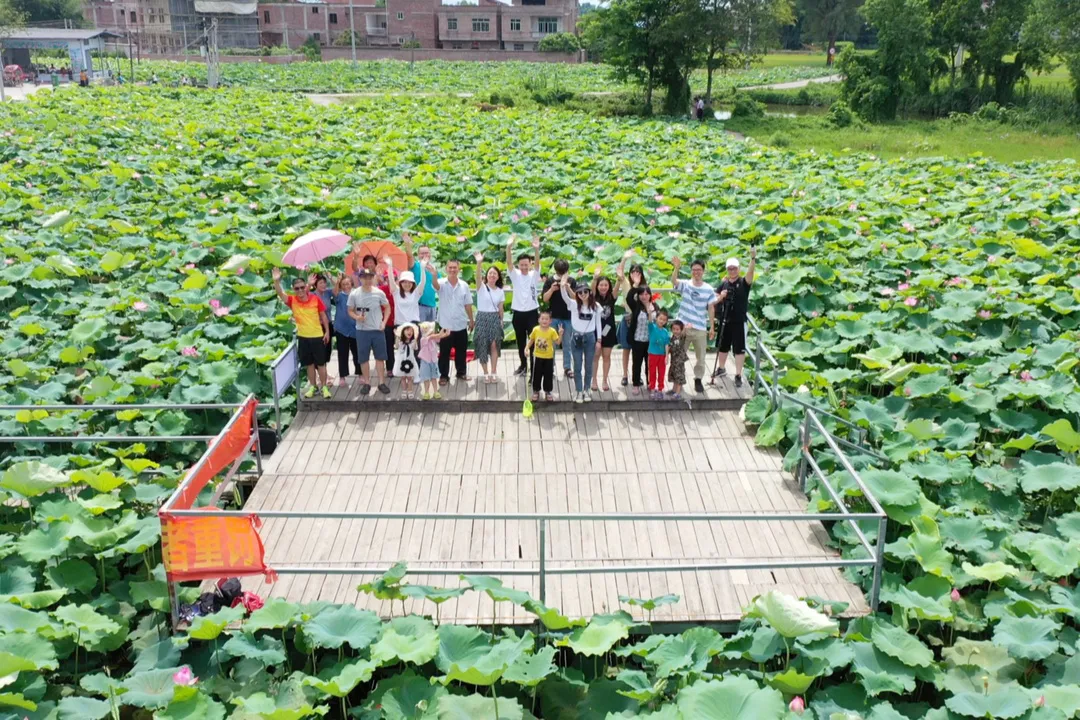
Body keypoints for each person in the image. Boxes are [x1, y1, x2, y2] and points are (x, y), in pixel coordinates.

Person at [272, 267, 331, 399]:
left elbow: (324, 316)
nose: (300, 290)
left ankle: (324, 386)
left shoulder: (316, 299)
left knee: (321, 364)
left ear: (306, 287)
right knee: (309, 364)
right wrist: (276, 281)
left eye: (302, 287)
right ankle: (313, 386)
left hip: (317, 336)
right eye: (297, 288)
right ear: (293, 289)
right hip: (303, 337)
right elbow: (281, 294)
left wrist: (327, 332)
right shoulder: (292, 301)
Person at [671, 257, 718, 394]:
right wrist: (677, 268)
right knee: (678, 355)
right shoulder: (686, 284)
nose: (696, 272)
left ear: (703, 271)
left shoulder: (708, 289)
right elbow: (674, 281)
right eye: (694, 270)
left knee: (701, 357)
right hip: (683, 328)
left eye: (699, 270)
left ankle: (698, 379)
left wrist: (712, 327)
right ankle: (678, 380)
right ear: (691, 271)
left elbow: (711, 308)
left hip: (700, 328)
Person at [713, 247, 757, 387]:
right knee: (722, 346)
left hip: (739, 321)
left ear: (738, 269)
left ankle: (738, 374)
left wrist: (753, 258)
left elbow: (750, 273)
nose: (732, 271)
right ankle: (721, 368)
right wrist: (721, 296)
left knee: (739, 349)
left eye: (734, 268)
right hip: (725, 319)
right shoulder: (724, 283)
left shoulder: (744, 283)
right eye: (730, 269)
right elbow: (714, 298)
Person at [347, 268, 391, 396]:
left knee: (380, 357)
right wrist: (357, 317)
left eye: (369, 277)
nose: (367, 280)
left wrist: (384, 322)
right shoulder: (354, 294)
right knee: (363, 358)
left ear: (373, 278)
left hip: (377, 330)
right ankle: (367, 383)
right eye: (364, 277)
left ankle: (381, 382)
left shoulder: (379, 293)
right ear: (360, 278)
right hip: (362, 331)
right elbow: (350, 310)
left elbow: (387, 308)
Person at [560, 275, 603, 404]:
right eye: (580, 292)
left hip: (590, 338)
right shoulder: (573, 305)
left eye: (585, 291)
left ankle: (587, 389)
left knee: (589, 365)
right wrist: (563, 286)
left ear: (590, 292)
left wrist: (599, 340)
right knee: (577, 366)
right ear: (577, 294)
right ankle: (578, 391)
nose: (583, 294)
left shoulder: (595, 306)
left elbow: (598, 323)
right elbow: (565, 298)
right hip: (576, 337)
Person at [430, 259, 474, 384]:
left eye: (455, 267)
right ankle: (443, 375)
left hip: (460, 323)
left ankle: (461, 373)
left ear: (459, 269)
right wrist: (434, 274)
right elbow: (435, 285)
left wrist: (471, 320)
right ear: (446, 269)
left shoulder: (464, 285)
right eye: (450, 267)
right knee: (444, 352)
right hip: (446, 325)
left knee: (461, 351)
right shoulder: (441, 283)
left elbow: (468, 304)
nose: (453, 270)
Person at [506, 235, 541, 377]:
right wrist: (509, 247)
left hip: (532, 313)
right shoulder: (515, 275)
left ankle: (533, 366)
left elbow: (538, 264)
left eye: (527, 264)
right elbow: (509, 263)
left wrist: (536, 249)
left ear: (530, 264)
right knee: (520, 341)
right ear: (519, 265)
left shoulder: (534, 274)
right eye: (522, 265)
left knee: (533, 341)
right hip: (518, 313)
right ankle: (523, 365)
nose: (524, 267)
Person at [473, 252, 506, 384]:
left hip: (494, 318)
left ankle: (493, 371)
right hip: (482, 317)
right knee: (481, 345)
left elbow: (501, 308)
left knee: (494, 345)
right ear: (486, 275)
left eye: (495, 274)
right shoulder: (481, 287)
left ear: (498, 277)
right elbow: (477, 277)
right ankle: (485, 373)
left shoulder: (500, 291)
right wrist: (479, 262)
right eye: (490, 273)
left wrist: (501, 321)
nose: (492, 275)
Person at [616, 252, 647, 387]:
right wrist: (624, 258)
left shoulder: (644, 288)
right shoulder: (626, 283)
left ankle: (637, 376)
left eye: (638, 271)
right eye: (633, 271)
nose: (635, 273)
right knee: (626, 349)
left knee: (638, 351)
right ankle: (624, 374)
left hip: (641, 322)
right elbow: (619, 273)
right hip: (628, 319)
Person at [541, 259, 575, 379]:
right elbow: (544, 299)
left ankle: (567, 368)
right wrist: (552, 289)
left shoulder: (571, 281)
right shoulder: (550, 281)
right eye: (560, 273)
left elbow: (577, 298)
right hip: (554, 317)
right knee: (552, 344)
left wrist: (568, 288)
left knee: (567, 344)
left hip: (568, 317)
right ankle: (550, 368)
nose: (561, 276)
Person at [591, 269, 618, 393]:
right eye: (601, 285)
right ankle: (594, 380)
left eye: (606, 285)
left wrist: (619, 277)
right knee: (595, 356)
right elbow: (591, 288)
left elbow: (618, 283)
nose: (603, 287)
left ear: (609, 286)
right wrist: (595, 277)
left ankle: (605, 380)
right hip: (595, 331)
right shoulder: (593, 297)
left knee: (606, 356)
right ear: (597, 286)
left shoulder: (612, 297)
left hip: (609, 330)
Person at [526, 310, 562, 402]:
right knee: (536, 375)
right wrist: (526, 348)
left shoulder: (552, 331)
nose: (544, 321)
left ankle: (548, 391)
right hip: (537, 356)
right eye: (542, 318)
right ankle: (536, 391)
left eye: (547, 319)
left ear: (550, 321)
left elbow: (558, 342)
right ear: (539, 320)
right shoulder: (535, 329)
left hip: (549, 357)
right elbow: (531, 340)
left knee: (548, 375)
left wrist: (560, 334)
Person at [331, 274, 360, 384]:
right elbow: (334, 293)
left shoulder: (357, 294)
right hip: (341, 329)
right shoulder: (338, 295)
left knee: (357, 352)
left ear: (351, 284)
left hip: (355, 328)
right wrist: (336, 281)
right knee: (342, 353)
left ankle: (360, 373)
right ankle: (342, 376)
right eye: (343, 284)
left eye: (347, 283)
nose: (346, 286)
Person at [404, 233, 440, 323]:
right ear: (418, 255)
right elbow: (409, 256)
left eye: (426, 253)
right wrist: (407, 244)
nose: (424, 255)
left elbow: (438, 286)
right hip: (419, 305)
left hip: (432, 306)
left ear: (430, 254)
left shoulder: (434, 269)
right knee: (419, 332)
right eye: (422, 253)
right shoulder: (415, 266)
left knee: (430, 334)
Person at [626, 284, 652, 395]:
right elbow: (628, 298)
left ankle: (650, 384)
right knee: (636, 364)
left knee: (649, 365)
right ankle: (636, 384)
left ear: (650, 295)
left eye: (646, 294)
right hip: (637, 340)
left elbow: (660, 322)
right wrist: (635, 286)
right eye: (641, 294)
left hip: (651, 342)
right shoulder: (636, 306)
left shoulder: (655, 307)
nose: (644, 296)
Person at [386, 260, 428, 326]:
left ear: (413, 283)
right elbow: (391, 280)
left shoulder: (416, 293)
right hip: (399, 324)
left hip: (414, 324)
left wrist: (422, 268)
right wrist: (390, 266)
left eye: (409, 282)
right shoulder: (396, 292)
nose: (407, 284)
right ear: (401, 283)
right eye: (404, 282)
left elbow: (423, 282)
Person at [418, 321, 450, 400]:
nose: (432, 331)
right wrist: (441, 332)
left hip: (433, 361)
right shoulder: (423, 339)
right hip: (425, 361)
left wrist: (445, 333)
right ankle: (426, 392)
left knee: (434, 377)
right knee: (426, 378)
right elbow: (435, 336)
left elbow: (439, 337)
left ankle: (435, 391)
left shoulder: (433, 339)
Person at [377, 257, 398, 377]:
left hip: (399, 321)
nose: (390, 280)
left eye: (393, 278)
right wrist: (375, 275)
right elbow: (371, 290)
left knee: (402, 345)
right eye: (387, 278)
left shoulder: (401, 289)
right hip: (387, 322)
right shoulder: (381, 290)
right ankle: (390, 368)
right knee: (388, 345)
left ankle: (402, 366)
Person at [647, 305, 671, 400]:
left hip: (662, 355)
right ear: (656, 318)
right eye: (660, 318)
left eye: (664, 320)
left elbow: (667, 344)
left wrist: (666, 356)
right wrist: (649, 312)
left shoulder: (665, 332)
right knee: (652, 372)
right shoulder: (652, 327)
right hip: (652, 354)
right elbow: (649, 321)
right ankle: (652, 388)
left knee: (661, 373)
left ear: (666, 322)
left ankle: (660, 389)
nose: (661, 321)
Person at [311, 273, 334, 372]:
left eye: (324, 282)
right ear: (315, 284)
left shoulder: (327, 293)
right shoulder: (312, 295)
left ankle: (325, 372)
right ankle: (322, 375)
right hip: (317, 326)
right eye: (320, 283)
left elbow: (338, 289)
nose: (323, 285)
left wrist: (331, 278)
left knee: (327, 350)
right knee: (320, 351)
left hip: (328, 324)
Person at [394, 323, 421, 399]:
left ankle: (410, 390)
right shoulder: (400, 342)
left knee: (410, 377)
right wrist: (397, 336)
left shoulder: (412, 342)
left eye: (411, 331)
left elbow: (415, 347)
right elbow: (396, 346)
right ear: (403, 331)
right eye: (407, 330)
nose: (410, 332)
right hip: (401, 361)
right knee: (402, 377)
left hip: (410, 361)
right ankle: (404, 390)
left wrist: (416, 338)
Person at [667, 320, 688, 400]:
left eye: (677, 329)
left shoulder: (681, 337)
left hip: (679, 361)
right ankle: (674, 390)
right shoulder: (672, 338)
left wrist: (685, 328)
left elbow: (684, 333)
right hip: (673, 361)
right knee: (674, 375)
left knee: (679, 376)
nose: (675, 331)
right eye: (674, 329)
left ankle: (678, 393)